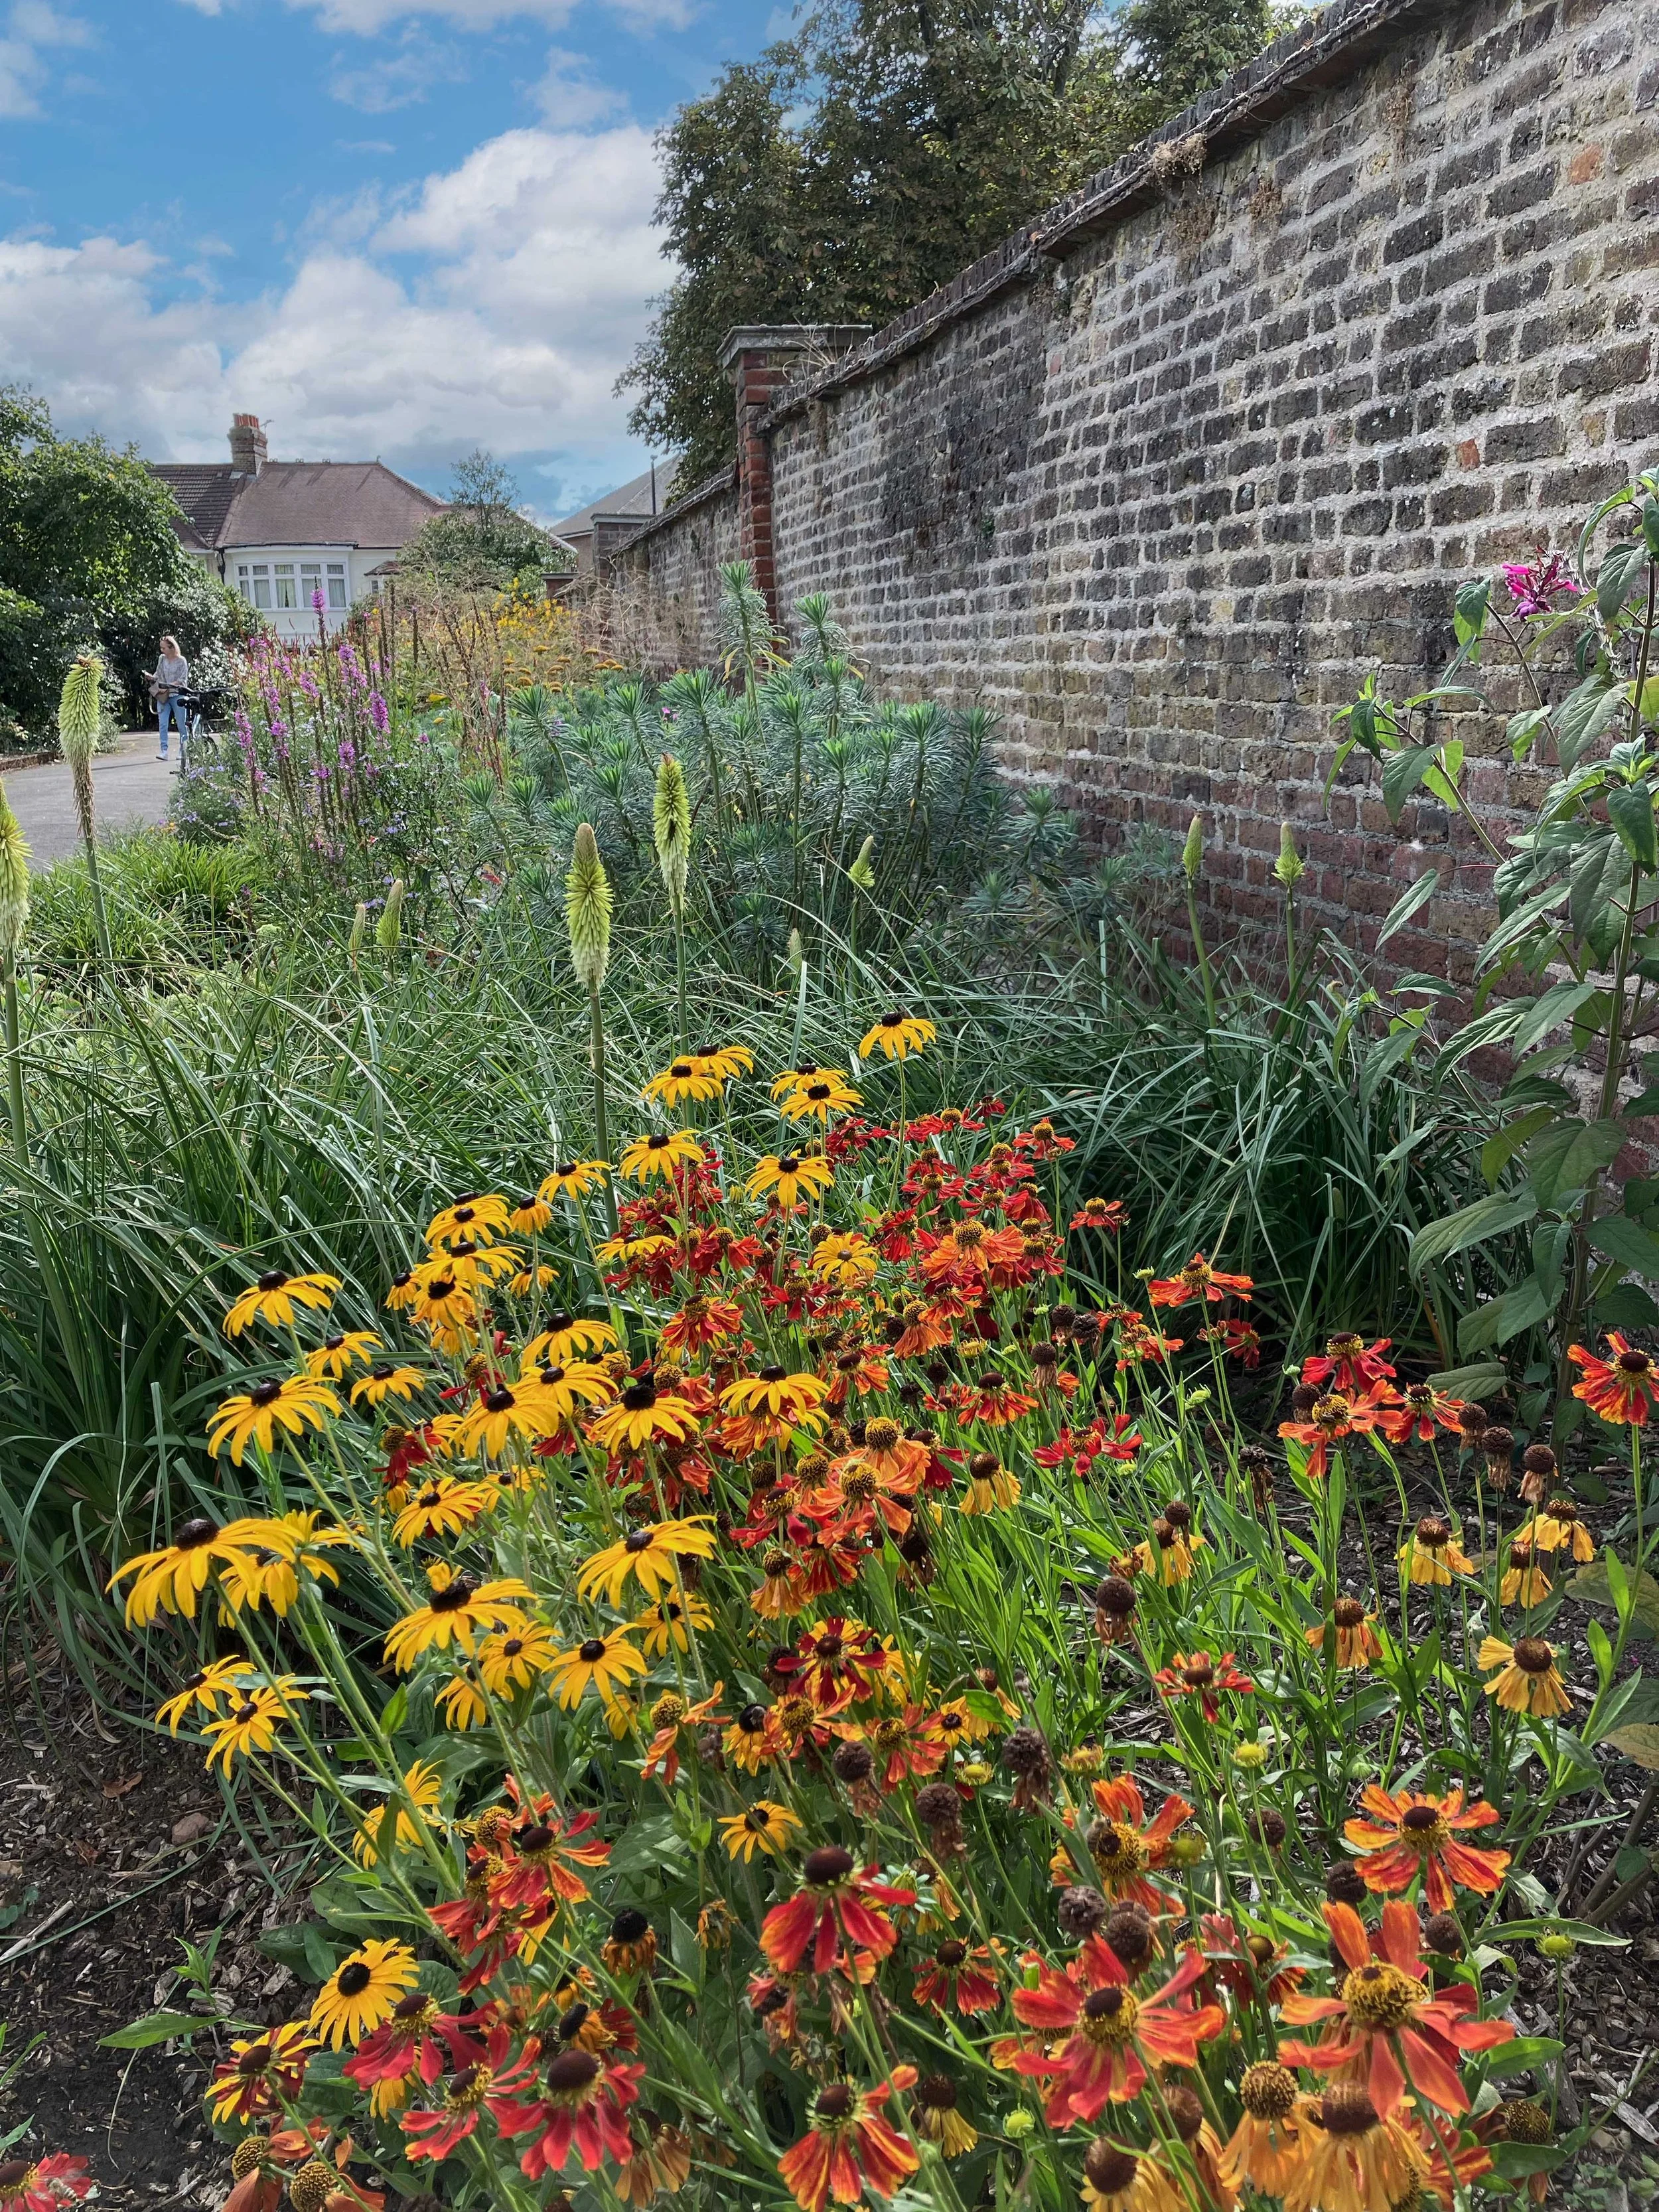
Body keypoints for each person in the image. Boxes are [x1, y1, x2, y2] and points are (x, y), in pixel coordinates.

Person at [148, 635, 190, 763]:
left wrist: (168, 686)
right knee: (163, 723)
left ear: (172, 648)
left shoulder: (181, 661)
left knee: (181, 724)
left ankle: (183, 750)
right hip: (163, 695)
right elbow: (158, 673)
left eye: (164, 648)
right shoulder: (162, 659)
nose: (162, 650)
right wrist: (152, 679)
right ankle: (164, 751)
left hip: (177, 694)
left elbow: (182, 680)